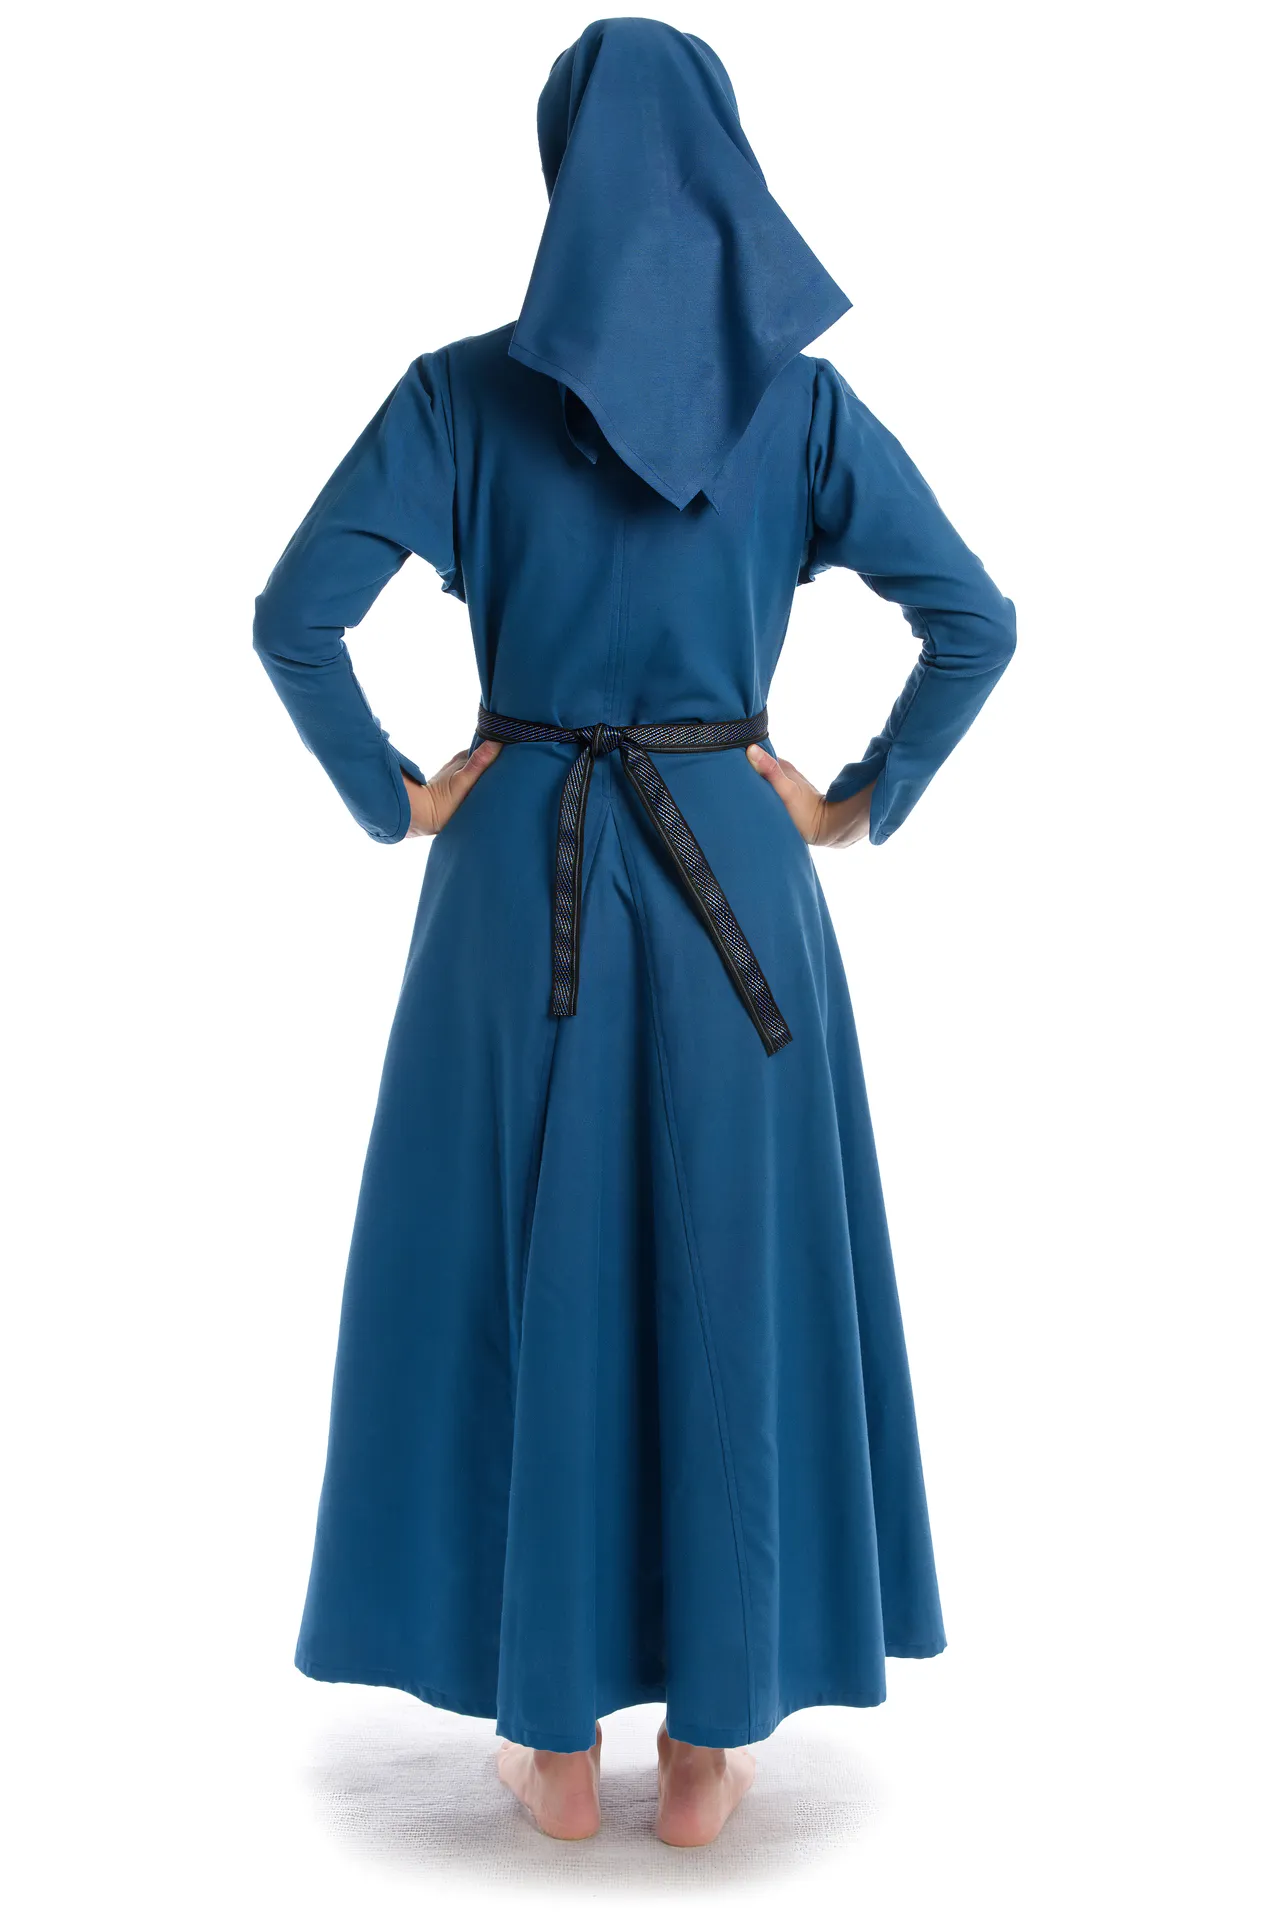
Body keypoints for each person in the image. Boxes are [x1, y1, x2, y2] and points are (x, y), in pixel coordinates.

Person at [253, 17, 1016, 1848]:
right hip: (738, 866)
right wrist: (852, 800)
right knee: (729, 1269)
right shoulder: (802, 408)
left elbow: (295, 617)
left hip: (519, 871)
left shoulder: (458, 393)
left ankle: (550, 1742)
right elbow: (974, 619)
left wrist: (399, 793)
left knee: (522, 1278)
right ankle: (707, 1750)